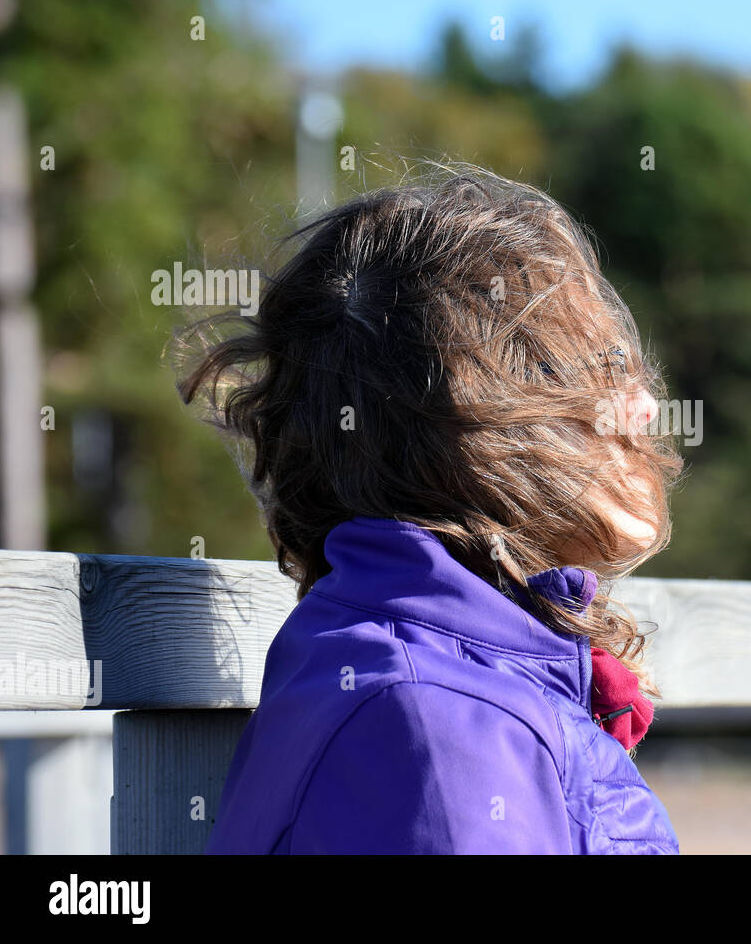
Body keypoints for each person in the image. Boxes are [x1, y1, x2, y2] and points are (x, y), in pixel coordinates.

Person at [176, 162, 683, 853]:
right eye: (598, 371)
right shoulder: (435, 733)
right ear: (476, 422)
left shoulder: (449, 688)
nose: (645, 405)